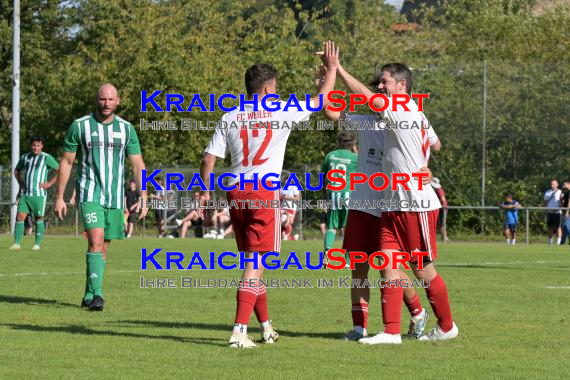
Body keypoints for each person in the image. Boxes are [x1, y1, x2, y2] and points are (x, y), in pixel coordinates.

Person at [199, 42, 338, 348]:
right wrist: (331, 70)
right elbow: (322, 101)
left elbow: (208, 159)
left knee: (253, 261)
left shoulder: (230, 116)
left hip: (235, 191)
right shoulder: (282, 110)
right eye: (275, 87)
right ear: (266, 89)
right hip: (263, 191)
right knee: (254, 265)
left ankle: (265, 327)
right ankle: (239, 331)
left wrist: (206, 192)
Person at [330, 60, 457, 343]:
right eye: (380, 83)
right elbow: (436, 144)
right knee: (388, 263)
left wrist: (339, 69)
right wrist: (423, 161)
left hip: (416, 204)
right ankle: (390, 331)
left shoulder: (402, 108)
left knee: (421, 268)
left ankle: (447, 326)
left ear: (402, 85)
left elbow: (365, 95)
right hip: (392, 204)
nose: (380, 86)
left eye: (385, 81)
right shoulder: (410, 113)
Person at [55, 83, 148, 311]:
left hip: (115, 198)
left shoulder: (127, 129)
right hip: (90, 193)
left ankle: (88, 292)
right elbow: (67, 162)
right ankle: (98, 295)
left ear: (118, 101)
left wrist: (144, 193)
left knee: (103, 248)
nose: (106, 104)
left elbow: (137, 163)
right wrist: (60, 197)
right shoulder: (80, 126)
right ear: (96, 100)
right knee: (95, 241)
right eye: (102, 99)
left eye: (110, 99)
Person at [10, 136, 59, 251]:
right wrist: (21, 184)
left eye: (38, 145)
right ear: (31, 146)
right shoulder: (25, 157)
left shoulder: (46, 158)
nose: (35, 148)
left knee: (38, 218)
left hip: (39, 194)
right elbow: (17, 170)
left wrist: (50, 183)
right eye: (33, 145)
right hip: (25, 194)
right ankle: (17, 244)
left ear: (42, 146)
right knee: (20, 216)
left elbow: (60, 169)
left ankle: (37, 244)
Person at [322, 132, 358, 267]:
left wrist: (324, 195)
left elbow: (323, 178)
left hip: (333, 194)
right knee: (349, 228)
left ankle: (327, 252)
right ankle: (347, 261)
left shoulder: (329, 156)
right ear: (352, 144)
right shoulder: (355, 158)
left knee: (331, 227)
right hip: (348, 196)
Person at [280, 174, 301, 241]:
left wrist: (288, 197)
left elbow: (298, 198)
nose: (286, 182)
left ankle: (288, 235)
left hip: (291, 208)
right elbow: (281, 198)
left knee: (288, 222)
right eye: (285, 181)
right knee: (282, 224)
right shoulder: (282, 189)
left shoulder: (294, 188)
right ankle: (294, 237)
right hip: (283, 207)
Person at [431, 177, 450, 243]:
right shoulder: (437, 190)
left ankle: (445, 239)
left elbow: (443, 200)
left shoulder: (439, 190)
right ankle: (445, 238)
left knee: (441, 224)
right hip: (441, 208)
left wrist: (437, 205)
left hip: (443, 209)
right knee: (439, 225)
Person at [544, 179, 562, 245]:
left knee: (558, 227)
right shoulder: (547, 192)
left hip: (557, 213)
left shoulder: (560, 192)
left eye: (553, 184)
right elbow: (545, 203)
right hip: (550, 213)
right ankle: (549, 242)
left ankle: (558, 243)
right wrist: (546, 209)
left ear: (557, 184)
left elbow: (562, 203)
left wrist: (557, 209)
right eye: (551, 184)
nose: (552, 185)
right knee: (550, 227)